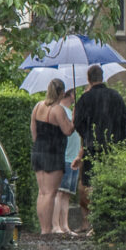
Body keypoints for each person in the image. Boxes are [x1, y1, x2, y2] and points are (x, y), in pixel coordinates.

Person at [71, 65, 126, 233]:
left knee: (88, 185)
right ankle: (110, 220)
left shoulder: (84, 99)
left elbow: (77, 125)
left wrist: (89, 135)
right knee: (113, 182)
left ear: (89, 79)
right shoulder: (116, 96)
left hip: (93, 148)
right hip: (115, 148)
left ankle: (95, 219)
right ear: (103, 77)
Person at [31, 79, 76, 235]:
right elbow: (68, 130)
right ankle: (46, 229)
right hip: (53, 154)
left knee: (42, 192)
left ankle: (43, 228)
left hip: (38, 152)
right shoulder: (58, 110)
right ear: (62, 92)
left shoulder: (38, 106)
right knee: (50, 193)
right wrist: (74, 117)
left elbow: (34, 132)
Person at [52, 88, 81, 236]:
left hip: (73, 158)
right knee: (59, 192)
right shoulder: (60, 110)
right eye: (75, 93)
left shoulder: (70, 111)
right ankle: (55, 226)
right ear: (70, 95)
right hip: (63, 158)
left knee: (67, 194)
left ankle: (65, 226)